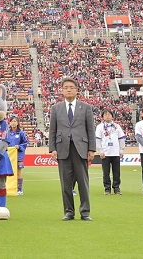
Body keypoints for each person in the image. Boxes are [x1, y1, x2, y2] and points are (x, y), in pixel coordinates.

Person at [49, 77, 95, 221]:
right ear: (62, 91)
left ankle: (85, 212)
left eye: (71, 87)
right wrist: (52, 149)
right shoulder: (56, 108)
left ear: (76, 90)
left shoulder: (86, 107)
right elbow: (52, 130)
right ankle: (69, 212)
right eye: (66, 87)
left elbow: (90, 130)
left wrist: (91, 149)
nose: (69, 90)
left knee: (83, 182)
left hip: (81, 148)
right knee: (66, 183)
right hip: (63, 149)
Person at [94, 110, 125, 195]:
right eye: (105, 115)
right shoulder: (100, 127)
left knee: (116, 172)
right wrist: (100, 151)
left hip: (115, 152)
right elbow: (98, 140)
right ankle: (107, 188)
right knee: (106, 172)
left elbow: (121, 138)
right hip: (105, 153)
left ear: (112, 116)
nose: (107, 116)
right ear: (103, 117)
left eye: (109, 114)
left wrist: (121, 150)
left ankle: (116, 188)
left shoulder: (117, 126)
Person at [5, 117, 29, 195]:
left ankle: (19, 189)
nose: (13, 123)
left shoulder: (21, 133)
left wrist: (19, 147)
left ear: (18, 123)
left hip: (19, 156)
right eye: (12, 121)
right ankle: (8, 187)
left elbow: (25, 143)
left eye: (15, 121)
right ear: (9, 123)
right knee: (7, 171)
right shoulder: (7, 133)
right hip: (9, 156)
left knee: (19, 172)